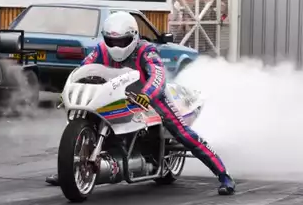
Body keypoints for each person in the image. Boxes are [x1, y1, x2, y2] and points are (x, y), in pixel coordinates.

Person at [45, 11, 236, 195]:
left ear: (134, 36)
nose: (117, 46)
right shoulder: (101, 50)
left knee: (182, 133)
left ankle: (223, 175)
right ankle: (69, 171)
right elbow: (83, 70)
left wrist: (147, 94)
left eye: (122, 41)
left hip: (149, 98)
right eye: (112, 41)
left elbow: (157, 75)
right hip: (116, 96)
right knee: (84, 117)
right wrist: (67, 92)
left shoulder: (146, 50)